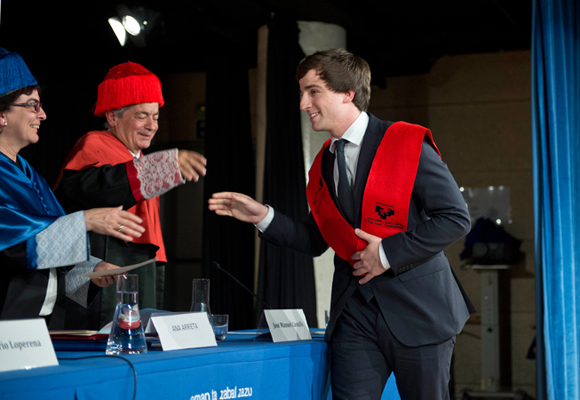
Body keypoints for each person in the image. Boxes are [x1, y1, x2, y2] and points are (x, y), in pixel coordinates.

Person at [208, 48, 475, 400]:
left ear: (348, 93)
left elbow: (455, 218)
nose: (303, 104)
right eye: (302, 93)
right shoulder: (322, 164)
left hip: (419, 312)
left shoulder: (406, 141)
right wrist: (264, 216)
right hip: (354, 315)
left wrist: (387, 253)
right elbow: (315, 239)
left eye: (313, 91)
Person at [54, 61, 207, 328]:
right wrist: (161, 167)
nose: (152, 125)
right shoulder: (94, 144)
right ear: (113, 116)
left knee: (141, 334)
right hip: (104, 262)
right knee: (108, 336)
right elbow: (93, 189)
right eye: (142, 116)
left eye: (155, 116)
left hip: (141, 264)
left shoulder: (139, 158)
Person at [0, 48, 145, 329]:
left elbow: (43, 249)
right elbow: (10, 245)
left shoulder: (29, 174)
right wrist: (86, 220)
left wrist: (90, 270)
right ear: (1, 114)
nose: (43, 115)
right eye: (32, 105)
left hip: (43, 325)